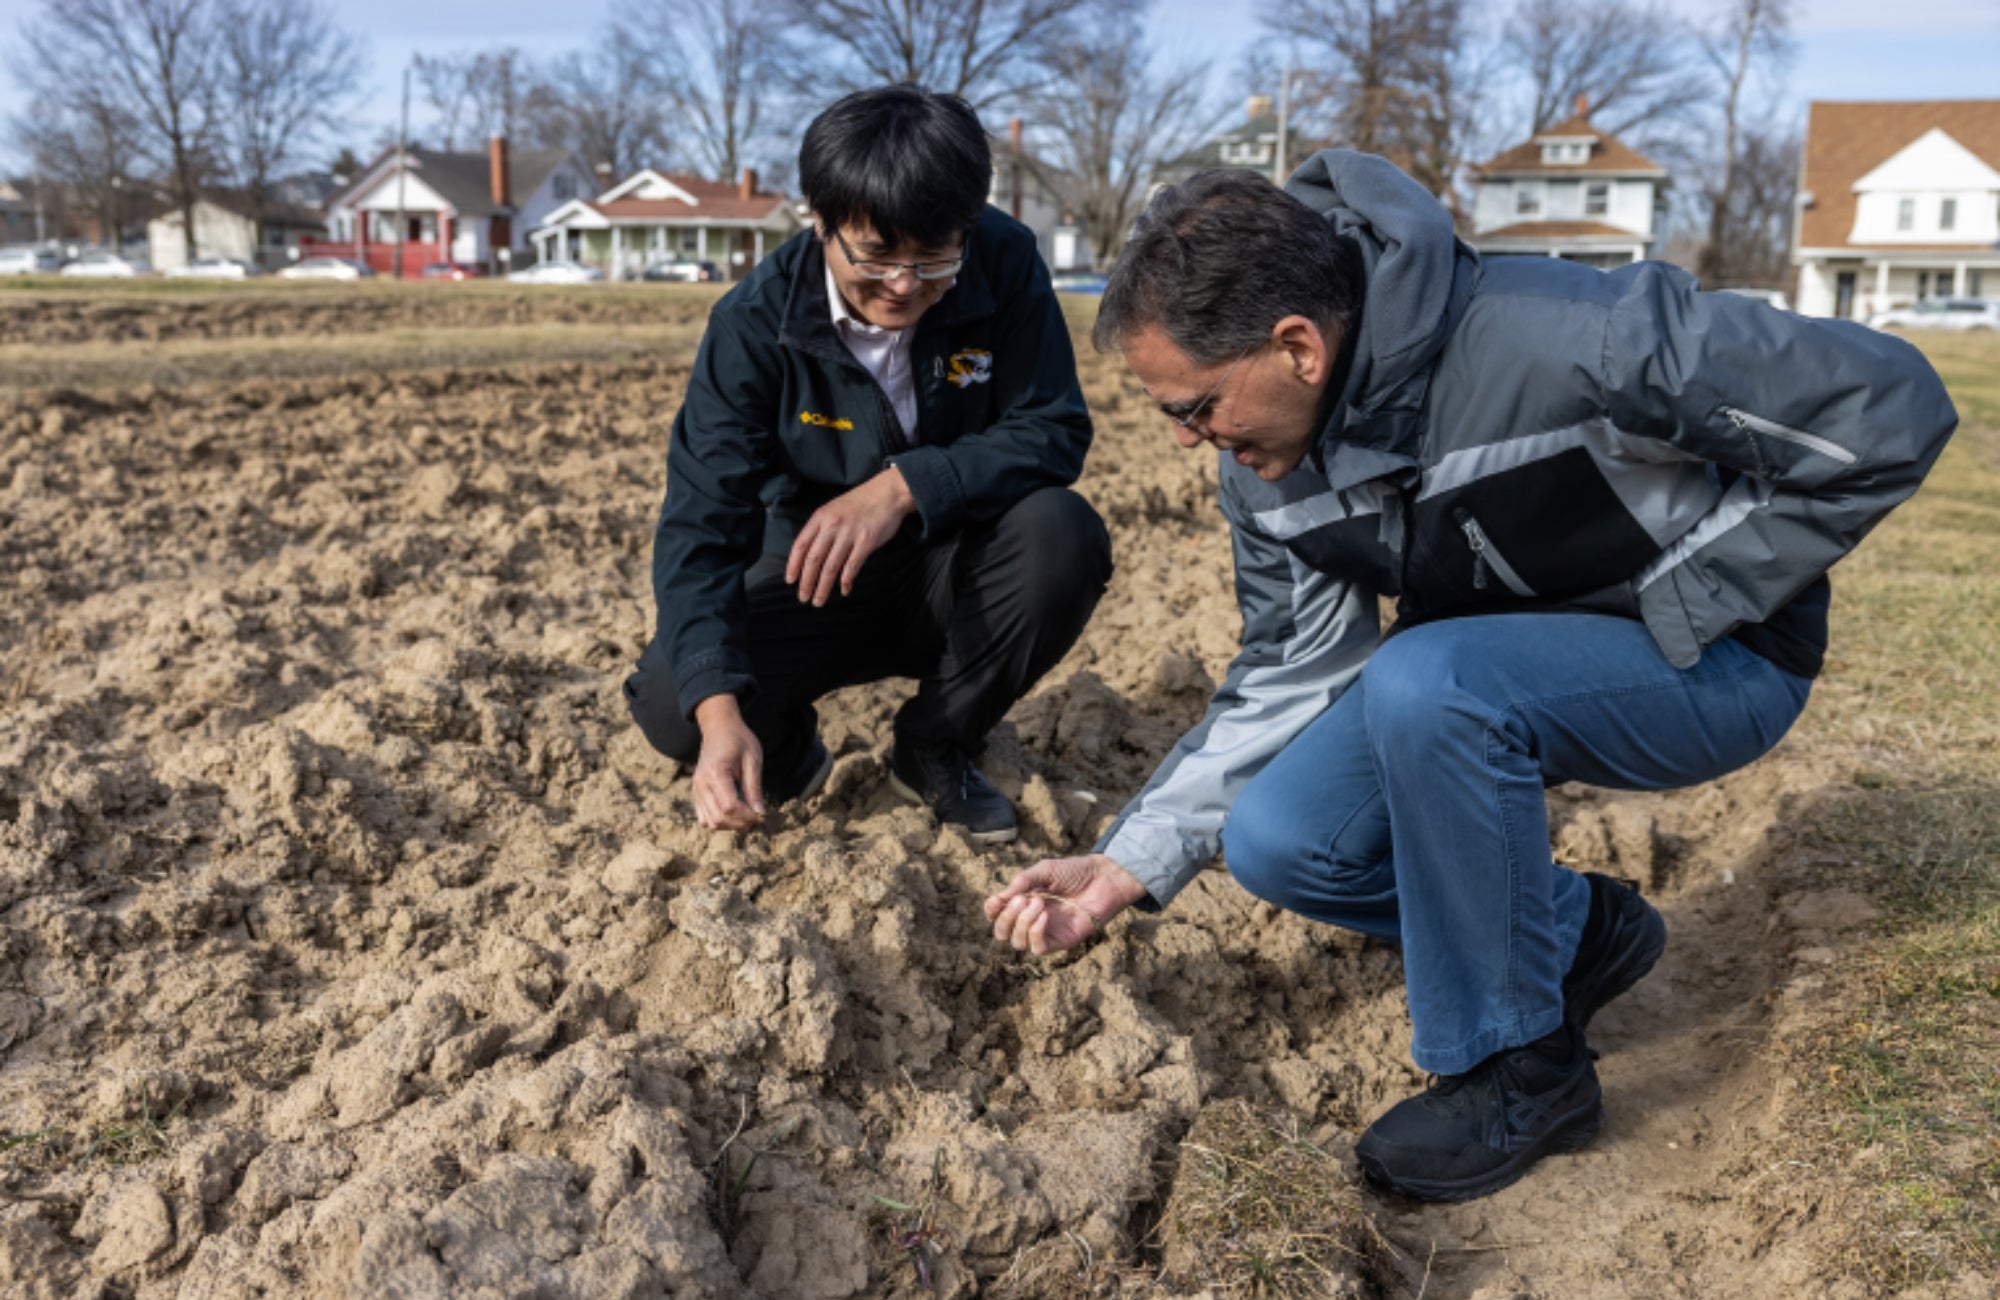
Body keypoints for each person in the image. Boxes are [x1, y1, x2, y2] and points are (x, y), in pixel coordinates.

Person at [984, 155, 1956, 1201]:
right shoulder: (1260, 474)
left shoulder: (1571, 336)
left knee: (1427, 676)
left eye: (1197, 405)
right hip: (1478, 672)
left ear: (1296, 346)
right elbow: (1289, 667)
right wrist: (1131, 857)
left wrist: (1685, 595)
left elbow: (1888, 407)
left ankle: (1517, 1069)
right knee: (1278, 841)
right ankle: (1578, 929)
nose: (1184, 441)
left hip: (1716, 662)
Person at [625, 84, 1110, 844]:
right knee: (670, 700)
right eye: (877, 254)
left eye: (935, 255)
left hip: (960, 571)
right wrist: (719, 715)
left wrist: (904, 487)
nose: (906, 286)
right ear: (818, 220)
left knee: (1063, 533)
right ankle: (788, 759)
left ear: (969, 227)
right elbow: (699, 528)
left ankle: (935, 746)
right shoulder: (752, 326)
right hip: (814, 581)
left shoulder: (1006, 261)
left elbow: (1053, 429)